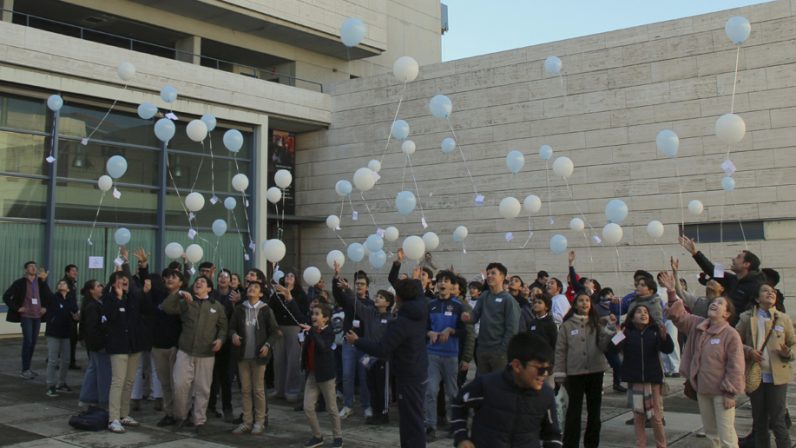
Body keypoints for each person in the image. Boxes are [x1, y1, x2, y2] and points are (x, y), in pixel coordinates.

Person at [661, 271, 744, 448]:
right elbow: (679, 316)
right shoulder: (698, 325)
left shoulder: (731, 334)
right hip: (703, 390)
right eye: (713, 303)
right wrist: (671, 292)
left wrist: (731, 392)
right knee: (711, 432)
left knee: (727, 434)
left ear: (727, 314)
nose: (715, 304)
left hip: (722, 393)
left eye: (720, 303)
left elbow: (736, 366)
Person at [346, 273, 429, 448]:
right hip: (418, 370)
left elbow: (382, 348)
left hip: (408, 375)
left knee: (411, 420)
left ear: (397, 298)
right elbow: (418, 291)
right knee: (412, 417)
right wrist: (413, 279)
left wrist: (357, 341)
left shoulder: (402, 323)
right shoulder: (421, 309)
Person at [451, 332, 561, 448]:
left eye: (548, 368)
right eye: (540, 369)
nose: (545, 374)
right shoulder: (487, 386)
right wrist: (461, 438)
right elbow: (459, 403)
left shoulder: (546, 395)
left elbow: (553, 435)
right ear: (517, 366)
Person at [163, 275, 228, 434]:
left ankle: (199, 420)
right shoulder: (186, 302)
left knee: (203, 389)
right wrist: (178, 294)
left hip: (206, 354)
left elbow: (223, 327)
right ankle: (181, 416)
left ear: (209, 288)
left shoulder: (216, 306)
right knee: (180, 385)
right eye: (197, 281)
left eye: (203, 282)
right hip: (185, 351)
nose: (198, 283)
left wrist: (220, 340)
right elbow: (167, 308)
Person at [735, 283, 795, 448]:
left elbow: (793, 343)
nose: (770, 293)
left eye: (773, 291)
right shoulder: (746, 318)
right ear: (756, 298)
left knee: (778, 421)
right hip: (755, 376)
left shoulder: (783, 318)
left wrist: (787, 353)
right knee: (759, 421)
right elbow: (733, 342)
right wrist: (748, 351)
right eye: (765, 291)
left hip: (777, 376)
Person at [554, 292, 615, 448]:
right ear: (575, 304)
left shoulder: (596, 324)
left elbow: (603, 346)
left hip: (595, 372)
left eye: (587, 300)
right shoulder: (567, 326)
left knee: (594, 413)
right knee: (573, 413)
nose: (584, 303)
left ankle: (592, 444)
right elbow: (560, 350)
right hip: (574, 374)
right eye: (581, 301)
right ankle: (570, 444)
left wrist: (610, 328)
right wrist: (559, 373)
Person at [616, 304, 674, 448]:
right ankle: (640, 445)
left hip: (653, 380)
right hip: (635, 381)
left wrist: (664, 336)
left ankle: (662, 445)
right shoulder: (627, 332)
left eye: (646, 312)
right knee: (638, 417)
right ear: (632, 317)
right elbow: (611, 348)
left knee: (656, 417)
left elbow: (668, 349)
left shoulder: (654, 332)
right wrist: (618, 335)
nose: (643, 314)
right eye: (639, 312)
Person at [229, 280, 281, 435]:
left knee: (258, 390)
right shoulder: (239, 309)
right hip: (243, 356)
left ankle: (259, 422)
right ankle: (247, 421)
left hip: (259, 357)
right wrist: (233, 335)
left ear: (261, 294)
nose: (252, 288)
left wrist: (267, 345)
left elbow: (274, 331)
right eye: (250, 287)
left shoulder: (265, 310)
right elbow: (231, 327)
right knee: (245, 390)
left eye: (256, 287)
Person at [679, 235, 765, 323]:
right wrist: (695, 252)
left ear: (746, 264)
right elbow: (711, 269)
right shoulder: (733, 279)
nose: (733, 259)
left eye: (738, 257)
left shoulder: (757, 286)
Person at [424, 270, 466, 440]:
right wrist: (429, 333)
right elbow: (422, 327)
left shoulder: (458, 306)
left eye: (446, 281)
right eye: (440, 280)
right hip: (432, 355)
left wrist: (452, 330)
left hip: (451, 355)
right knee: (430, 391)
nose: (442, 283)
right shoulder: (430, 305)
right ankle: (430, 426)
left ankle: (453, 424)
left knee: (452, 392)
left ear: (452, 285)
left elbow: (464, 331)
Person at [103, 269, 146, 434]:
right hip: (118, 345)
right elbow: (110, 318)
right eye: (120, 280)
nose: (124, 283)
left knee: (129, 381)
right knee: (118, 381)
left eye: (125, 280)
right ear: (114, 283)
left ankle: (123, 414)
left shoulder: (132, 298)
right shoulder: (109, 299)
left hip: (133, 345)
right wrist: (119, 299)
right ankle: (113, 418)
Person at [300, 302, 343, 448]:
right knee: (308, 407)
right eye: (312, 313)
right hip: (312, 373)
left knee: (332, 408)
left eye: (317, 314)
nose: (313, 316)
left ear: (326, 318)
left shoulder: (329, 331)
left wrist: (312, 331)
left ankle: (338, 437)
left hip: (326, 375)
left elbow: (323, 347)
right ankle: (317, 436)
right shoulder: (312, 330)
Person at [333, 269, 373, 418]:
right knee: (347, 375)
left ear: (367, 287)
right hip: (349, 344)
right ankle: (348, 405)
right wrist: (336, 277)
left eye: (362, 284)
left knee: (364, 377)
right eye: (357, 284)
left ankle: (367, 406)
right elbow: (337, 295)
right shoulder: (348, 300)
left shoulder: (370, 304)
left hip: (364, 344)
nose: (359, 286)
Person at [3, 261, 50, 379]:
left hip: (37, 316)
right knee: (28, 340)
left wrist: (45, 307)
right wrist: (17, 308)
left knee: (33, 342)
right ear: (26, 269)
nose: (34, 268)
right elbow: (6, 296)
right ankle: (25, 369)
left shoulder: (40, 283)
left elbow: (49, 296)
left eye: (35, 267)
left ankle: (28, 368)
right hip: (26, 316)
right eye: (31, 267)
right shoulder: (20, 283)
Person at [471, 262, 520, 374]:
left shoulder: (509, 300)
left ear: (502, 277)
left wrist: (502, 351)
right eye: (488, 273)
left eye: (493, 273)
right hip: (482, 350)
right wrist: (465, 316)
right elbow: (474, 317)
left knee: (498, 387)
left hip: (498, 353)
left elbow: (512, 330)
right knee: (482, 386)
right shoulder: (484, 296)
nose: (489, 276)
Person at [269, 272, 308, 403]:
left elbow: (301, 313)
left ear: (296, 280)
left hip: (294, 328)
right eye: (287, 276)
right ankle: (278, 389)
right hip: (279, 328)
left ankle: (292, 390)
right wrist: (274, 328)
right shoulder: (276, 295)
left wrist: (290, 297)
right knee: (278, 360)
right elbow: (270, 311)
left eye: (292, 276)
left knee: (293, 360)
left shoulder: (301, 295)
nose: (289, 278)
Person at [208, 269, 240, 421]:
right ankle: (210, 407)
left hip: (228, 341)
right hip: (212, 339)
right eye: (220, 276)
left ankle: (228, 408)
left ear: (230, 280)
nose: (223, 279)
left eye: (226, 277)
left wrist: (236, 303)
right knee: (211, 377)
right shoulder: (211, 294)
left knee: (226, 377)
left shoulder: (235, 295)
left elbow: (238, 317)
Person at [78, 279, 111, 409]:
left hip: (94, 345)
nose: (101, 287)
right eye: (98, 286)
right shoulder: (93, 306)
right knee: (103, 372)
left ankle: (86, 397)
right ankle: (103, 400)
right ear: (91, 290)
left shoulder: (96, 304)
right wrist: (100, 344)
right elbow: (91, 328)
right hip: (98, 345)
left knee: (93, 370)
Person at [43, 279, 79, 396]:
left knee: (66, 360)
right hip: (53, 333)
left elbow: (75, 312)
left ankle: (61, 383)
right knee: (53, 360)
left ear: (68, 288)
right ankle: (51, 385)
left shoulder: (71, 299)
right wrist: (43, 281)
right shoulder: (53, 298)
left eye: (63, 283)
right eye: (59, 283)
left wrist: (76, 317)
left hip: (66, 333)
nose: (60, 284)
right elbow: (45, 292)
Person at [62, 264, 81, 370]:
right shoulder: (65, 283)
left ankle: (71, 361)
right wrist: (72, 313)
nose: (75, 272)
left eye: (76, 270)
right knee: (68, 340)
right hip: (68, 316)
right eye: (73, 271)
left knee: (73, 340)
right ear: (67, 272)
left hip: (73, 315)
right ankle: (67, 361)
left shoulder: (73, 283)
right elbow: (65, 300)